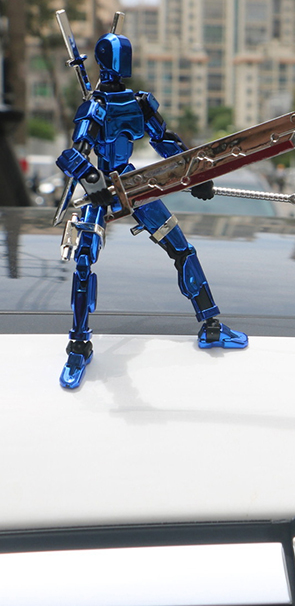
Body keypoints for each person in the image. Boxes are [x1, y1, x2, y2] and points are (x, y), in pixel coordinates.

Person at [55, 30, 247, 389]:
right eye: (118, 58)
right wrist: (92, 180)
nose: (122, 64)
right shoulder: (95, 107)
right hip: (103, 188)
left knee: (181, 248)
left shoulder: (139, 102)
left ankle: (210, 324)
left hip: (133, 183)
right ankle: (79, 345)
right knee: (84, 260)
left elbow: (165, 141)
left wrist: (195, 174)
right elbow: (71, 156)